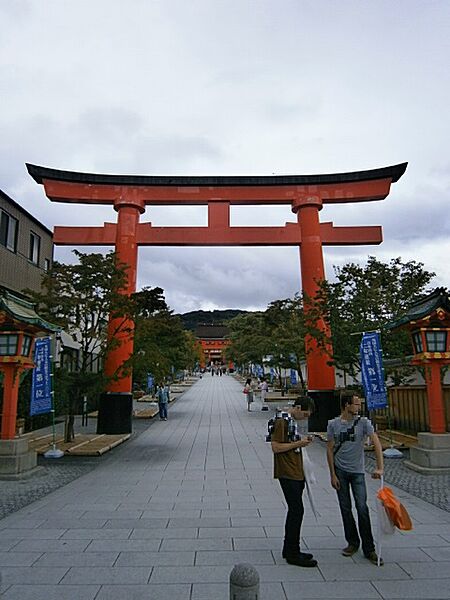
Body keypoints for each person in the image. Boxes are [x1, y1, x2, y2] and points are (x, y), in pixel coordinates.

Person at [326, 391, 384, 565]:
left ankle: (369, 548)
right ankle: (352, 542)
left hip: (358, 471)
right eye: (356, 404)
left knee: (362, 508)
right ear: (347, 405)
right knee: (345, 508)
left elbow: (376, 442)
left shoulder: (364, 423)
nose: (359, 407)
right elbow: (329, 448)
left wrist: (380, 467)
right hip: (340, 471)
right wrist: (332, 474)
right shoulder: (333, 424)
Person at [270, 401, 318, 568]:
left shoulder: (289, 420)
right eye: (304, 414)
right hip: (287, 471)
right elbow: (275, 447)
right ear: (298, 408)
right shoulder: (282, 420)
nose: (304, 418)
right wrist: (299, 443)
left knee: (295, 510)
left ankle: (289, 548)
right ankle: (293, 552)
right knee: (297, 510)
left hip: (295, 470)